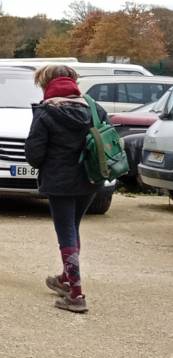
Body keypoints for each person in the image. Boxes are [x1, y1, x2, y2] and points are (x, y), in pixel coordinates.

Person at [25, 64, 106, 313]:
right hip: (91, 179)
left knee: (66, 234)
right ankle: (65, 279)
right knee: (74, 227)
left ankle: (76, 294)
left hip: (60, 181)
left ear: (46, 84)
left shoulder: (46, 113)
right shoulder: (94, 108)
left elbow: (34, 155)